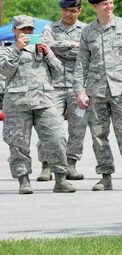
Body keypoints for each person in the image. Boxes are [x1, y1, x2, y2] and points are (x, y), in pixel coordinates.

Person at [74, 0, 122, 192]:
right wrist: (79, 91)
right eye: (105, 4)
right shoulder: (88, 31)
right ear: (95, 6)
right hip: (95, 91)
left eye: (111, 2)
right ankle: (105, 176)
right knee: (99, 136)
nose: (110, 6)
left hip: (121, 90)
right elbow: (81, 64)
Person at [0, 15, 76, 194]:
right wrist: (18, 50)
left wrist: (48, 53)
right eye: (23, 29)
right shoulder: (7, 50)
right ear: (14, 31)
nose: (27, 33)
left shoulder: (41, 49)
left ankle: (60, 179)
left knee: (56, 139)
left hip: (44, 100)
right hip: (18, 103)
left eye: (29, 29)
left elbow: (58, 72)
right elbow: (5, 71)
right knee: (18, 144)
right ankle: (23, 180)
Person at [39, 0, 89, 181]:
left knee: (78, 127)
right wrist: (70, 44)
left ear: (79, 11)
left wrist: (61, 49)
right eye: (66, 10)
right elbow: (46, 47)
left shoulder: (86, 29)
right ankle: (47, 165)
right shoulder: (50, 28)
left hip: (78, 86)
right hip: (54, 85)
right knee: (49, 126)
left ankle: (71, 164)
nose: (69, 14)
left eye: (73, 11)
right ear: (61, 10)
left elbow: (86, 52)